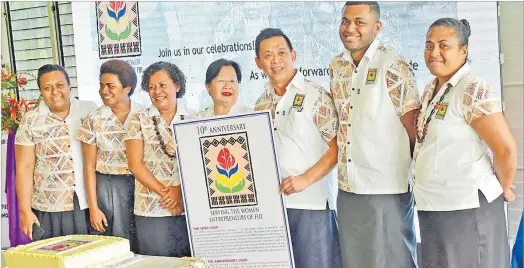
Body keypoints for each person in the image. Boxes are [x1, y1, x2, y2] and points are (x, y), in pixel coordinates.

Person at [413, 17, 517, 268]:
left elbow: (505, 149)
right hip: (434, 206)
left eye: (443, 45)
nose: (434, 52)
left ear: (463, 51)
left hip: (467, 207)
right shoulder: (431, 88)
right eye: (429, 45)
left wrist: (502, 187)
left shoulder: (473, 89)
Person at [329, 2, 420, 268]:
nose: (350, 28)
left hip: (386, 189)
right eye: (345, 21)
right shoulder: (336, 66)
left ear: (377, 27)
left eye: (360, 22)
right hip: (347, 189)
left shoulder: (393, 65)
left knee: (394, 261)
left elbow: (413, 129)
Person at [253, 28, 342, 268]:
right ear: (258, 63)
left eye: (281, 52)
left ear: (293, 56)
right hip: (274, 209)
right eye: (268, 55)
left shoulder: (316, 95)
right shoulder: (261, 103)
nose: (275, 60)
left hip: (310, 204)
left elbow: (337, 149)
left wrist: (304, 179)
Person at [15, 64, 97, 240]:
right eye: (47, 88)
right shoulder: (30, 120)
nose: (54, 92)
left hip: (87, 202)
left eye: (60, 85)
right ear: (41, 92)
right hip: (48, 207)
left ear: (69, 86)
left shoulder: (89, 110)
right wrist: (25, 211)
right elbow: (24, 167)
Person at [124, 61, 194, 257]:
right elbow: (135, 165)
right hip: (151, 208)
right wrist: (167, 195)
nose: (157, 91)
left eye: (163, 85)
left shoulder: (194, 118)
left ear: (177, 86)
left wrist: (178, 192)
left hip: (187, 207)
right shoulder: (139, 119)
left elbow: (197, 164)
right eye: (152, 87)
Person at [77, 59, 144, 252]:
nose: (104, 91)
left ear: (127, 88)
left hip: (142, 186)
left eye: (110, 86)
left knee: (142, 240)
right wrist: (94, 208)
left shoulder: (145, 115)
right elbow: (88, 166)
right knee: (114, 245)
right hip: (107, 189)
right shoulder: (93, 119)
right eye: (101, 85)